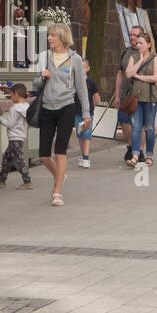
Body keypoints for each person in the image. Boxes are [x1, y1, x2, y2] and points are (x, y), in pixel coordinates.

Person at [34, 23, 91, 205]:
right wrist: (41, 76)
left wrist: (86, 113)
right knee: (43, 155)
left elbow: (81, 89)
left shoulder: (74, 59)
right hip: (47, 108)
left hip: (67, 107)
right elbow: (35, 83)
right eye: (49, 35)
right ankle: (60, 175)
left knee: (60, 152)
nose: (50, 38)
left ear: (63, 37)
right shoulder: (44, 57)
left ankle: (57, 192)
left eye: (53, 36)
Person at [124, 31, 157, 168]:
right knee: (136, 127)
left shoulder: (155, 59)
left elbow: (155, 77)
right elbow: (128, 74)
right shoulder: (133, 58)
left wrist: (139, 77)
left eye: (141, 43)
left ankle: (149, 155)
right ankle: (135, 156)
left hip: (150, 97)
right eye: (137, 43)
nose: (138, 45)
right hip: (136, 98)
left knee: (149, 128)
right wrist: (139, 60)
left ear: (149, 44)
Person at [112, 24, 146, 160]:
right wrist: (116, 94)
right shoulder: (125, 52)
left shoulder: (145, 53)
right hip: (125, 94)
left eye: (135, 35)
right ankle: (132, 146)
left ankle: (140, 151)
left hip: (141, 94)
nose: (132, 37)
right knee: (123, 120)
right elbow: (120, 74)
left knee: (139, 124)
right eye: (131, 35)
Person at [0, 84, 32, 188]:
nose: (10, 97)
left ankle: (27, 181)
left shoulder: (14, 109)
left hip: (14, 137)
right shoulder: (27, 107)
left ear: (16, 94)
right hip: (21, 136)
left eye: (11, 95)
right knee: (7, 158)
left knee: (19, 160)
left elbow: (10, 124)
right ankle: (2, 179)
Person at [76, 58, 100, 165]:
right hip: (77, 112)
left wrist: (93, 106)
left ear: (87, 68)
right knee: (80, 134)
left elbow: (96, 96)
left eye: (83, 68)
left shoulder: (91, 82)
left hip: (88, 112)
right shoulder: (74, 82)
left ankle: (86, 158)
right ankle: (83, 155)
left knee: (87, 134)